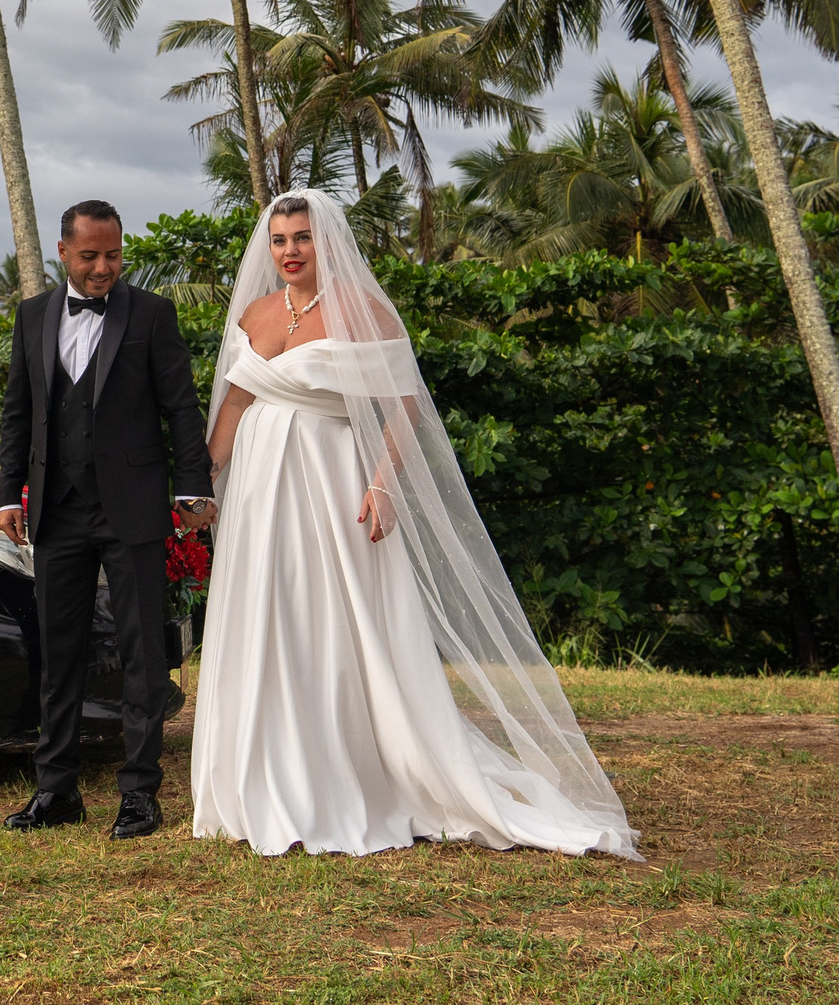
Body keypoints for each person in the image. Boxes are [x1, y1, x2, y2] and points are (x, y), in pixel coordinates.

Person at [191, 191, 639, 859]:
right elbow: (234, 403)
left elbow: (403, 404)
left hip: (330, 481)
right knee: (269, 612)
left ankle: (344, 773)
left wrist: (382, 481)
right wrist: (202, 487)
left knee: (332, 619)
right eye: (280, 238)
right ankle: (262, 772)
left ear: (327, 242)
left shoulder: (363, 310)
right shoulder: (256, 313)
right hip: (260, 491)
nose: (289, 250)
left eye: (302, 238)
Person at [0, 199, 215, 840]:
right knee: (57, 652)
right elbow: (18, 411)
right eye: (90, 256)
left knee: (143, 651)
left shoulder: (151, 314)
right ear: (63, 252)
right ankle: (55, 790)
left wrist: (193, 488)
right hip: (57, 510)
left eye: (113, 255)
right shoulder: (33, 315)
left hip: (133, 507)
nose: (103, 268)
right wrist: (11, 494)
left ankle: (140, 794)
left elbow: (181, 408)